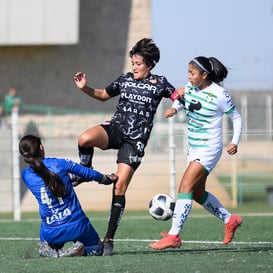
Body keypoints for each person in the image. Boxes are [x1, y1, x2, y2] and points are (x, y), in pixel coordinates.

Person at [73, 38, 181, 256]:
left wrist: (176, 105)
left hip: (135, 142)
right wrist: (85, 88)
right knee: (84, 138)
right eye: (132, 62)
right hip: (115, 130)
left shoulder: (160, 83)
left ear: (150, 64)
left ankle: (109, 239)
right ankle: (85, 171)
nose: (134, 67)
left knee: (119, 187)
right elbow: (103, 95)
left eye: (138, 63)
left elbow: (176, 95)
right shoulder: (125, 79)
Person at [149, 56, 243, 250]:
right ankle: (230, 219)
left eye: (192, 73)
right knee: (198, 193)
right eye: (188, 73)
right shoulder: (190, 87)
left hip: (209, 148)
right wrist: (174, 109)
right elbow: (184, 100)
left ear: (204, 75)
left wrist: (234, 142)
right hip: (193, 148)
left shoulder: (220, 94)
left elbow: (236, 117)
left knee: (185, 187)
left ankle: (174, 236)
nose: (189, 77)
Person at [19, 134, 118, 257]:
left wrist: (71, 179)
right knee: (99, 247)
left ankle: (46, 248)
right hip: (77, 225)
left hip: (51, 231)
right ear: (41, 148)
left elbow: (48, 181)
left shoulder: (25, 175)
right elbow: (88, 173)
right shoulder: (59, 164)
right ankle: (83, 251)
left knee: (45, 234)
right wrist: (106, 179)